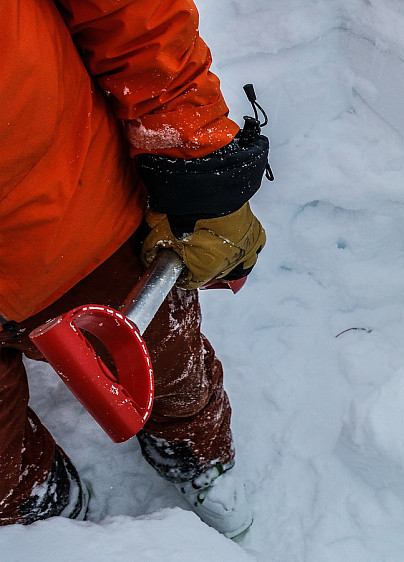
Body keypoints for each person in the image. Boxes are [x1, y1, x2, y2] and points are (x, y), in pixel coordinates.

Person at [0, 0, 269, 538]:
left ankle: (193, 448)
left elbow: (133, 17)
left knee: (166, 366)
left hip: (67, 214)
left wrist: (195, 165)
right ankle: (31, 498)